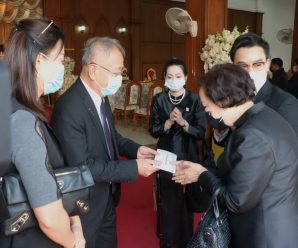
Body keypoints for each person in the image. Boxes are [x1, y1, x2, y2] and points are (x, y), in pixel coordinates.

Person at [173, 63, 298, 248]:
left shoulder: (252, 135)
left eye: (206, 106)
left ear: (222, 99)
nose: (206, 111)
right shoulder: (264, 117)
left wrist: (201, 175)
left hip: (264, 234)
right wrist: (202, 168)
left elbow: (236, 201)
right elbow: (242, 174)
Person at [51, 37, 159, 248]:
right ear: (93, 70)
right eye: (117, 72)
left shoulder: (101, 95)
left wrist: (136, 150)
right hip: (85, 205)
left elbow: (111, 137)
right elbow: (83, 167)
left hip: (107, 195)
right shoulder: (69, 108)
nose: (120, 78)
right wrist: (133, 168)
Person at [0, 19, 85, 248]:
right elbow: (48, 219)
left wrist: (74, 220)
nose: (63, 66)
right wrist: (73, 242)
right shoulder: (22, 121)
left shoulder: (11, 106)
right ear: (39, 60)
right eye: (60, 59)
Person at [149, 58, 205, 248]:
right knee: (167, 200)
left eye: (178, 76)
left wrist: (183, 122)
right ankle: (167, 241)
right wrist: (168, 123)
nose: (174, 80)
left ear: (185, 77)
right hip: (165, 154)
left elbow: (201, 132)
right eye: (170, 76)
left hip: (187, 154)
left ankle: (186, 241)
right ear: (164, 78)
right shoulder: (159, 99)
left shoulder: (194, 99)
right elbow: (153, 130)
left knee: (184, 201)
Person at [213, 33, 298, 145]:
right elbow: (228, 141)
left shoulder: (286, 104)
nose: (250, 72)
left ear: (268, 64)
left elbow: (288, 154)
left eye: (257, 64)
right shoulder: (232, 97)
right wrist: (221, 130)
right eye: (243, 66)